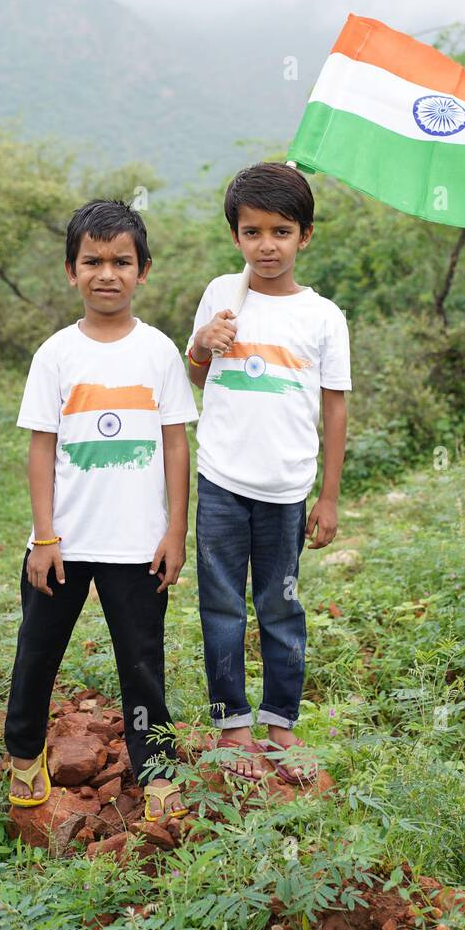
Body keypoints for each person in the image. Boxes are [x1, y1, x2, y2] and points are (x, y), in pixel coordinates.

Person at [4, 198, 199, 822]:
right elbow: (41, 450)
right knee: (37, 651)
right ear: (71, 271)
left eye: (121, 261)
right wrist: (44, 536)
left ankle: (157, 769)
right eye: (92, 261)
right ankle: (24, 754)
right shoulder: (56, 354)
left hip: (138, 545)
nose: (106, 273)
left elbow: (175, 444)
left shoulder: (160, 352)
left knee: (143, 664)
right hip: (63, 541)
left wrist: (175, 530)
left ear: (144, 270)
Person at [185, 162, 351, 784]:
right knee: (221, 604)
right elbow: (199, 376)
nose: (267, 245)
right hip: (222, 479)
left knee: (280, 607)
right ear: (236, 237)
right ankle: (233, 724)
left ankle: (280, 720)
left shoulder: (323, 316)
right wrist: (204, 343)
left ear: (305, 235)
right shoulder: (221, 296)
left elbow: (334, 406)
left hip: (287, 487)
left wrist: (328, 497)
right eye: (252, 232)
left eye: (281, 231)